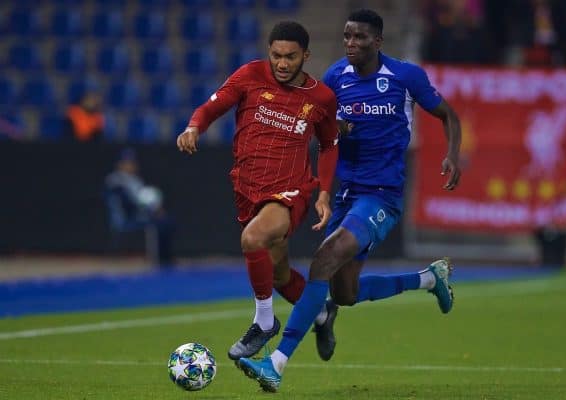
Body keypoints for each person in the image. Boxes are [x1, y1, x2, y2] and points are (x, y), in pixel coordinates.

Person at [237, 9, 462, 392]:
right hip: (345, 193)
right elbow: (320, 129)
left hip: (381, 196)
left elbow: (448, 115)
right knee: (345, 293)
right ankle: (428, 278)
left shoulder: (405, 77)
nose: (350, 44)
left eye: (359, 38)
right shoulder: (336, 78)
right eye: (346, 37)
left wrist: (452, 155)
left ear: (378, 41)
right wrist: (330, 134)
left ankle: (276, 362)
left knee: (323, 259)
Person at [176, 21, 339, 361]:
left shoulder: (321, 98)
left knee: (252, 239)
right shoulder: (250, 75)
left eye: (291, 57)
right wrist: (194, 127)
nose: (282, 63)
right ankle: (323, 314)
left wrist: (323, 193)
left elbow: (328, 145)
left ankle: (264, 322)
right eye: (276, 55)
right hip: (248, 188)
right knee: (279, 275)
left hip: (290, 191)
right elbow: (210, 108)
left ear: (305, 56)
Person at [104, 148, 174, 266]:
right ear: (120, 164)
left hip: (138, 213)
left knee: (166, 221)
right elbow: (127, 203)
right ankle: (160, 260)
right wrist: (150, 210)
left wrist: (152, 209)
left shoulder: (135, 180)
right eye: (127, 162)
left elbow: (143, 197)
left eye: (132, 162)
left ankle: (165, 258)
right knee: (160, 222)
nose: (131, 165)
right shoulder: (115, 180)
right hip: (125, 217)